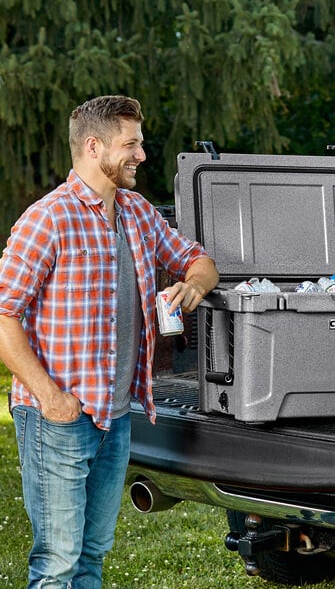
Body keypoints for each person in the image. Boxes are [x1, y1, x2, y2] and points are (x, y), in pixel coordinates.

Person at [0, 95, 219, 588]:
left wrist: (194, 285)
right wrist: (50, 397)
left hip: (117, 415)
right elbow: (3, 314)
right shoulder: (47, 219)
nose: (142, 155)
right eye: (132, 144)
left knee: (92, 556)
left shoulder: (137, 212)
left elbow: (199, 259)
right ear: (94, 146)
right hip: (59, 418)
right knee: (58, 561)